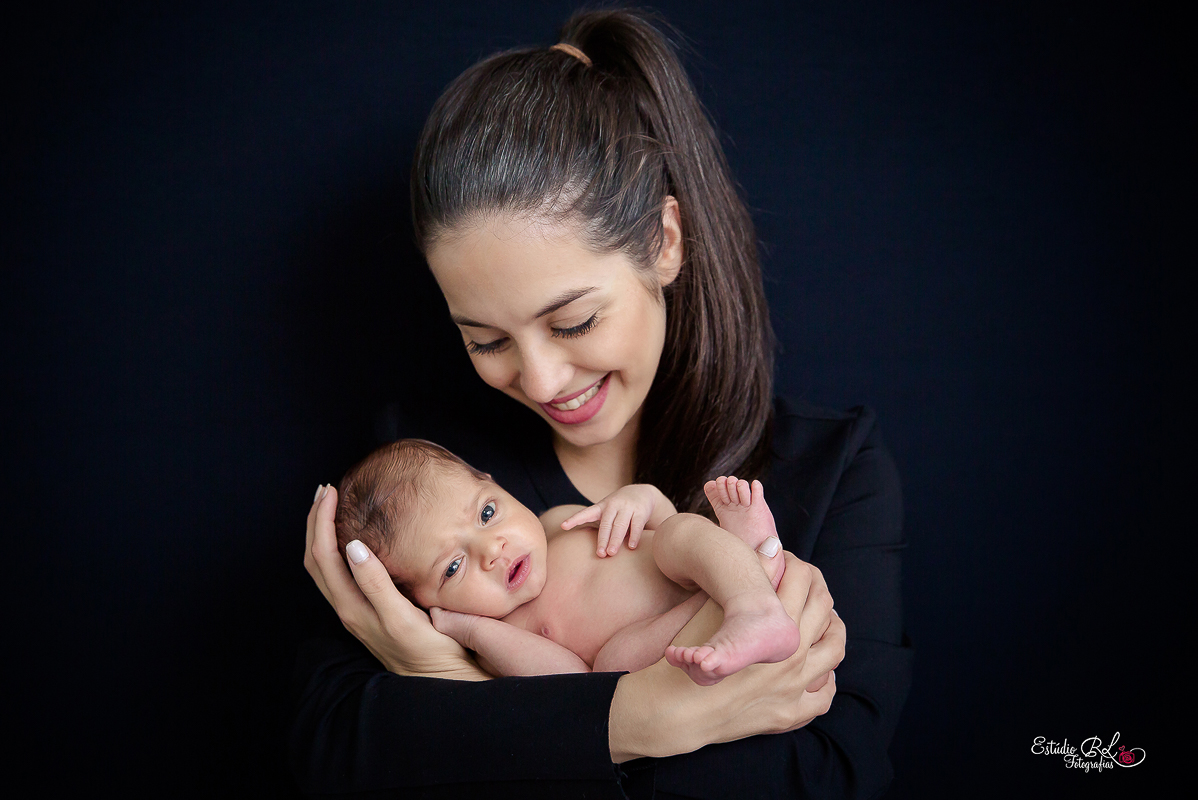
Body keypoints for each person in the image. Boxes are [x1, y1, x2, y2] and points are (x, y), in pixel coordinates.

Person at [294, 8, 911, 798]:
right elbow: (337, 752)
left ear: (664, 242)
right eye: (486, 340)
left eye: (574, 322)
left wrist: (462, 698)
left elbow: (831, 774)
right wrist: (637, 718)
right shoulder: (419, 471)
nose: (542, 381)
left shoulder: (833, 469)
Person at [333, 438, 799, 684]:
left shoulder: (558, 522)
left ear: (494, 483)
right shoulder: (498, 639)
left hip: (688, 573)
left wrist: (638, 500)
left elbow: (657, 521)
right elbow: (571, 685)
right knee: (612, 667)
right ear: (425, 604)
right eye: (452, 568)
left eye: (487, 513)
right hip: (674, 633)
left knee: (677, 532)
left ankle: (751, 600)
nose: (492, 550)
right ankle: (746, 582)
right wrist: (473, 631)